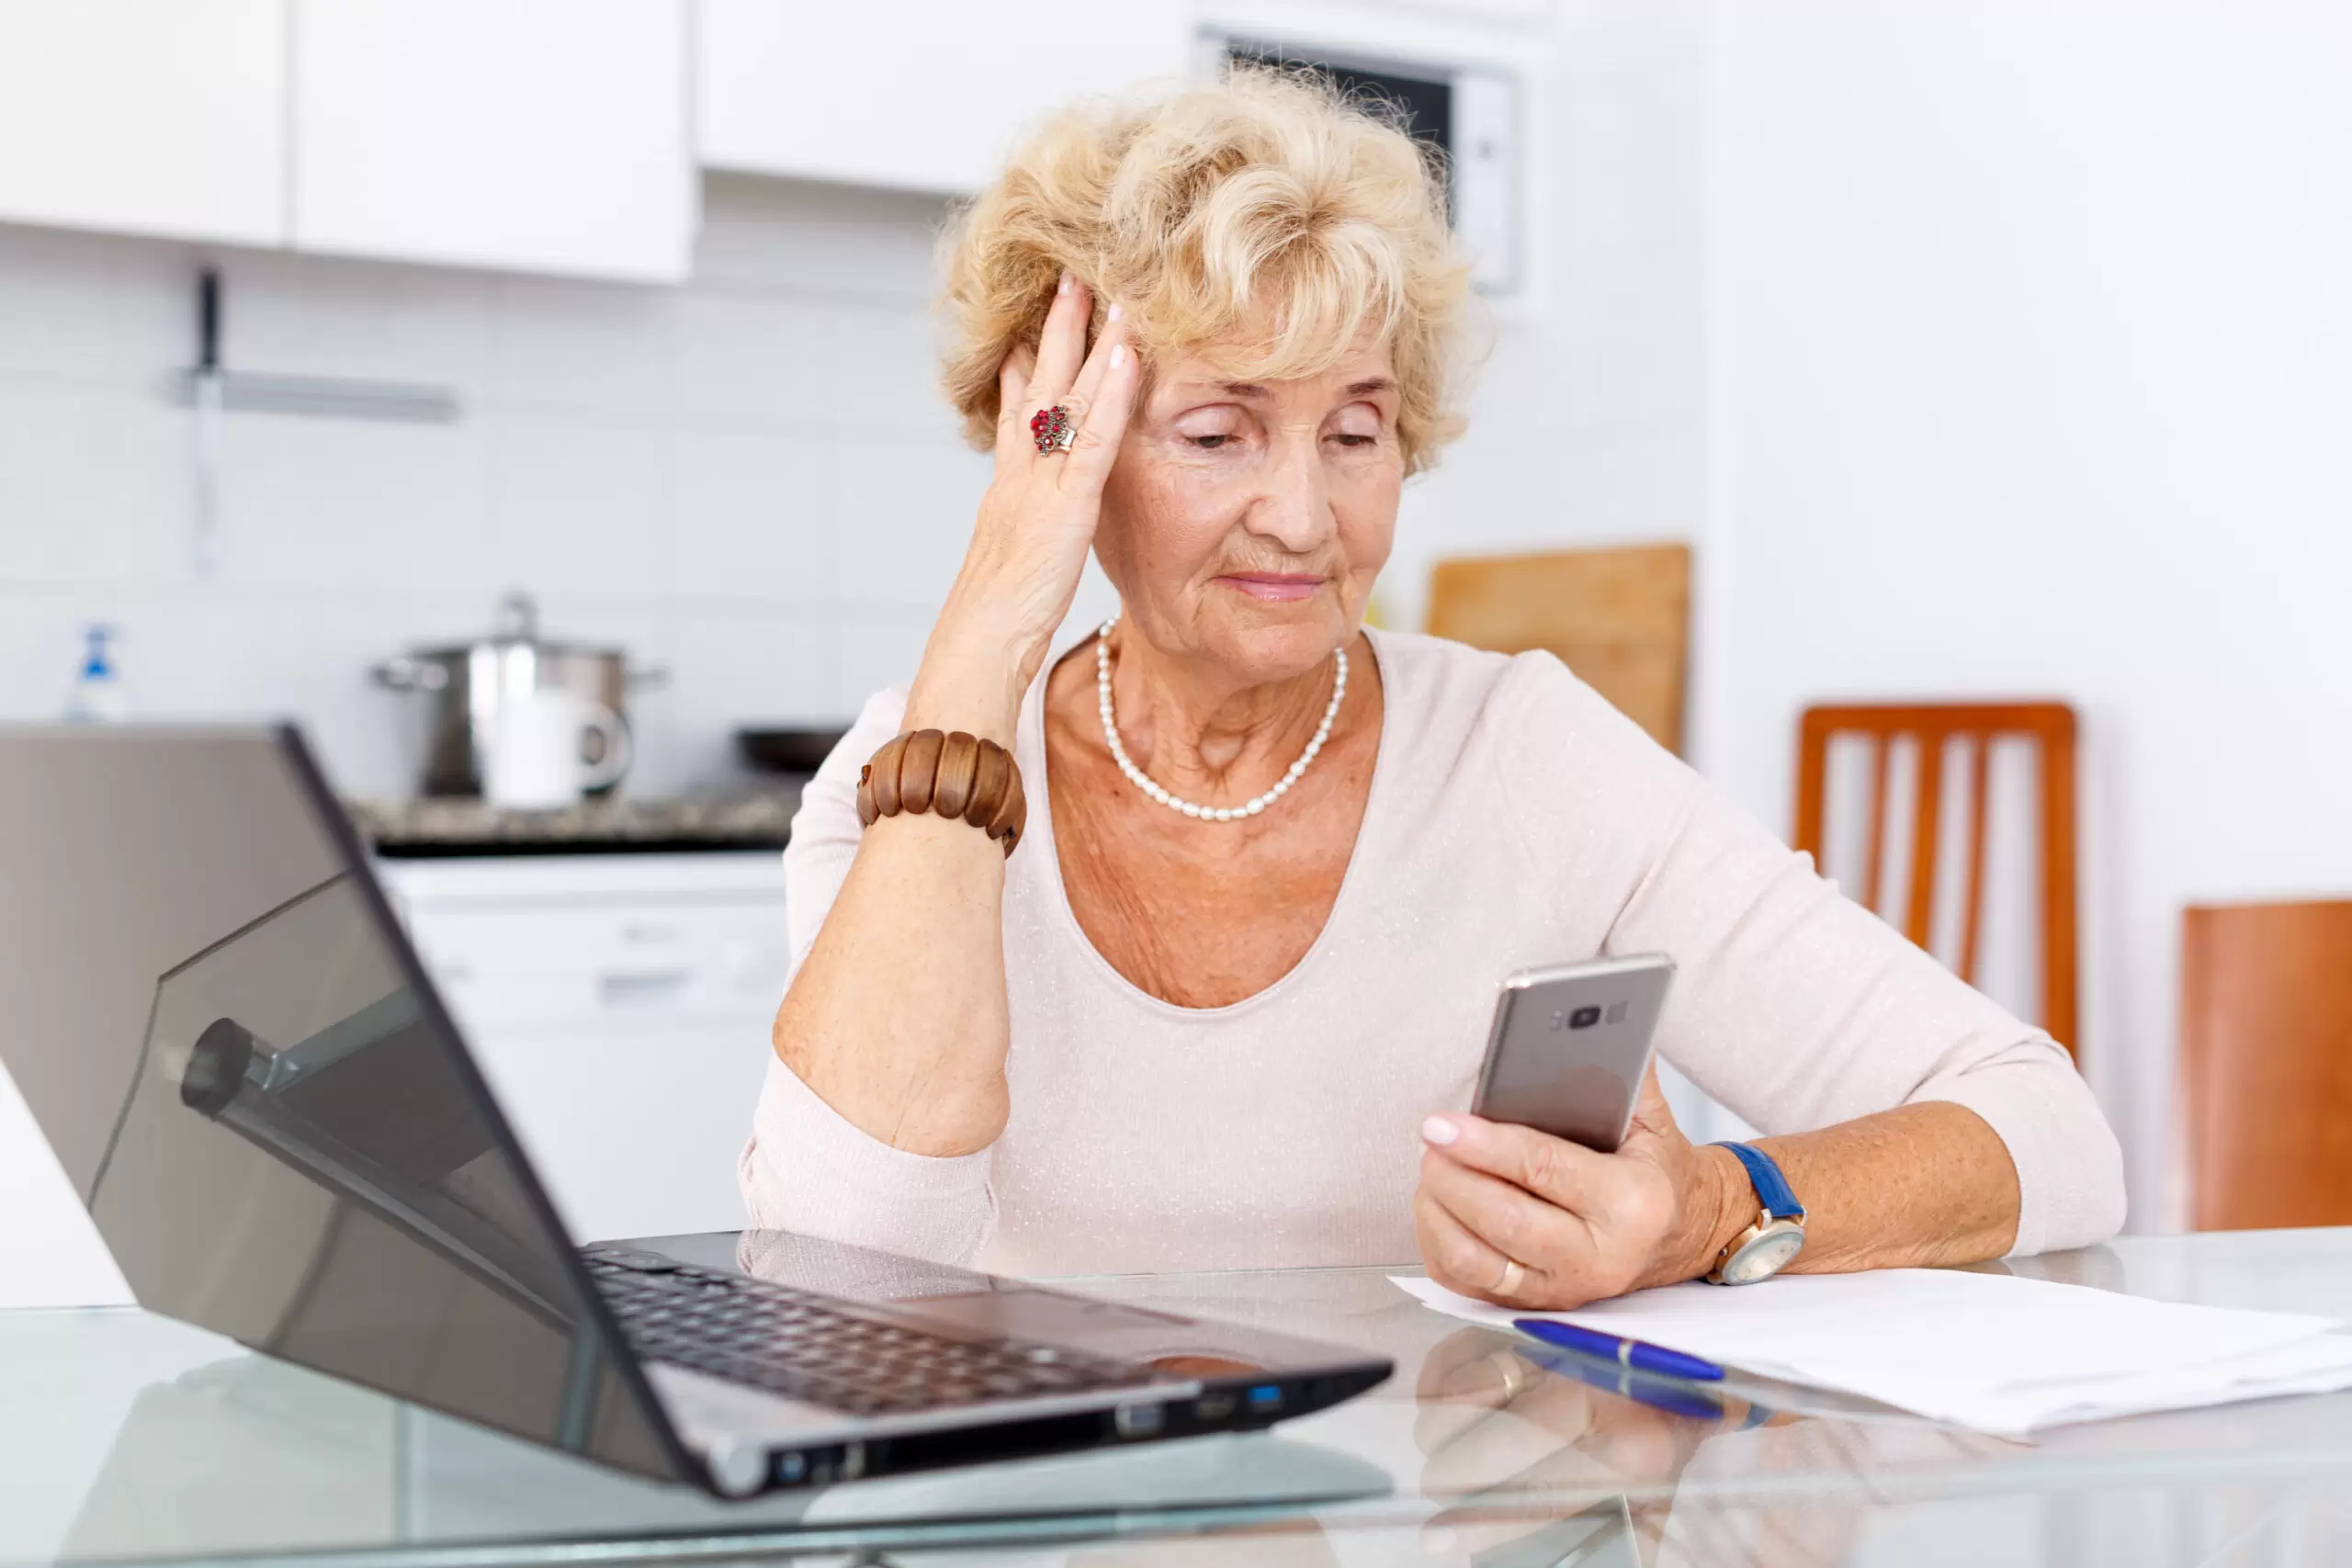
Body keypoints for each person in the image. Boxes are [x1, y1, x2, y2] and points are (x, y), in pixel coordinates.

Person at [740, 67, 2125, 1309]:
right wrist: (994, 607)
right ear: (1064, 454)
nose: (1304, 512)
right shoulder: (915, 765)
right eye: (1220, 432)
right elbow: (847, 1260)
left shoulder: (1516, 750)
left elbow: (2050, 1136)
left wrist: (1704, 1207)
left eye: (1356, 429)